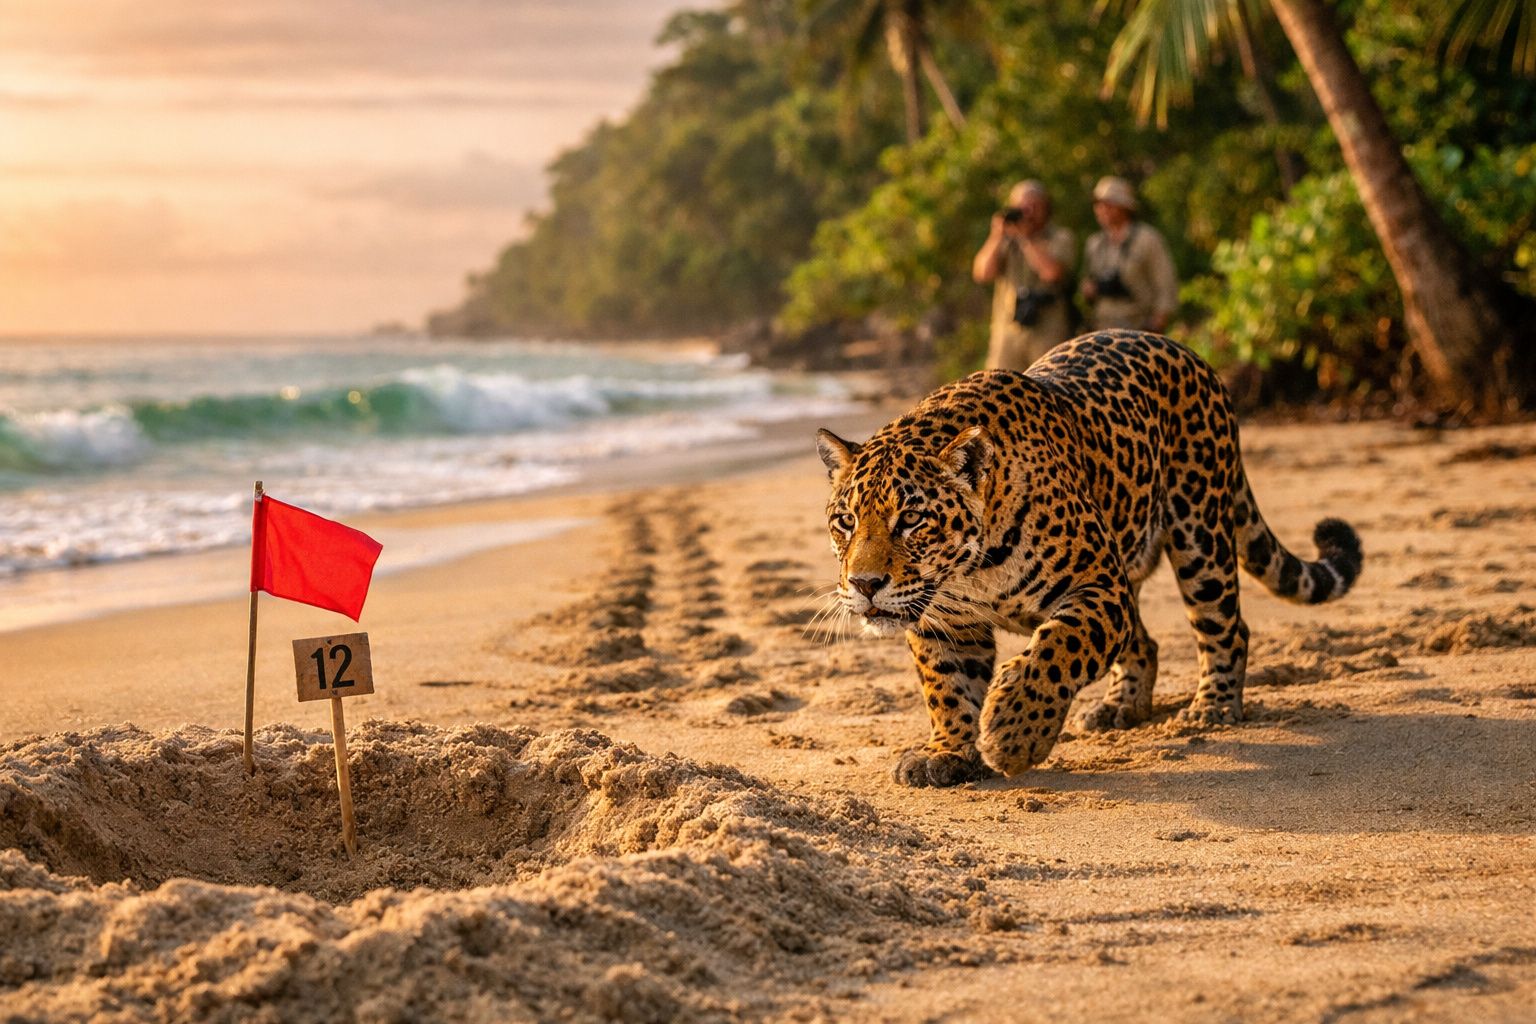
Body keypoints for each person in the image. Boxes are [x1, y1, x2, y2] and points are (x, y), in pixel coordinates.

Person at [971, 180, 1076, 370]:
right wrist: (996, 235)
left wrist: (1026, 238)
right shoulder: (1006, 239)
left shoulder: (1060, 237)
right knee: (999, 382)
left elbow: (1052, 273)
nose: (1028, 213)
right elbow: (982, 273)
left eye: (1035, 207)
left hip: (1047, 328)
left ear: (1046, 208)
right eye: (1023, 207)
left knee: (1047, 382)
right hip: (1008, 329)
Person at [1080, 176, 1179, 333]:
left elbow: (1166, 285)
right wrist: (1090, 289)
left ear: (1124, 207)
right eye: (1098, 204)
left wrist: (1157, 323)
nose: (1102, 209)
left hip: (1139, 327)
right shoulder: (1094, 243)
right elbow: (1087, 283)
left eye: (1109, 204)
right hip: (1102, 329)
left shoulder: (1147, 239)